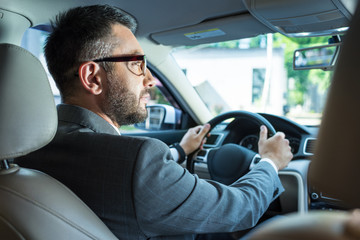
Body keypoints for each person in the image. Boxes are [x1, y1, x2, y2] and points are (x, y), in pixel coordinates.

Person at [15, 4, 293, 240]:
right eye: (137, 64)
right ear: (93, 78)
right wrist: (270, 161)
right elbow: (240, 209)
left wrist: (180, 151)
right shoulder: (138, 161)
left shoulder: (24, 149)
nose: (150, 80)